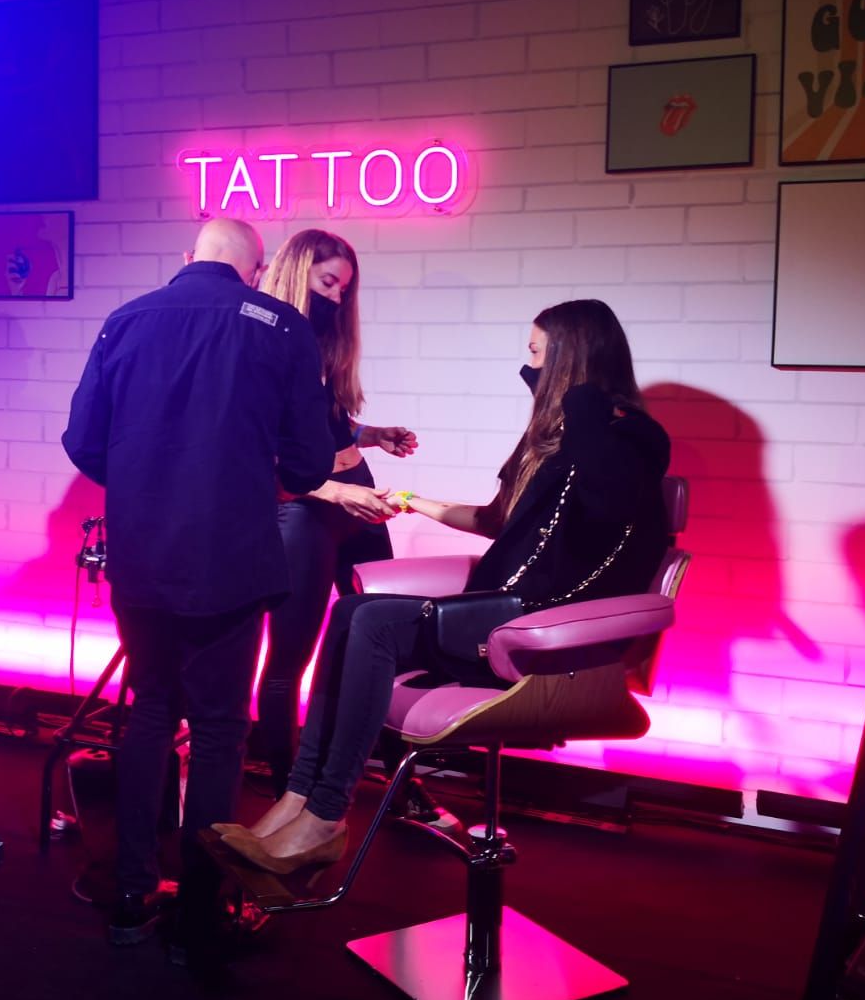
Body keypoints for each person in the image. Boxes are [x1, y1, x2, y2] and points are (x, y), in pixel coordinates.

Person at [217, 299, 670, 872]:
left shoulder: (632, 438)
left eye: (536, 355)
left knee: (373, 622)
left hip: (541, 633)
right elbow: (496, 521)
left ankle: (325, 817)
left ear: (569, 357)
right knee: (352, 611)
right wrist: (411, 501)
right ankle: (298, 798)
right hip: (497, 612)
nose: (529, 369)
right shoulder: (562, 440)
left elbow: (606, 504)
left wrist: (580, 399)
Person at [61, 217, 333, 949]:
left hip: (142, 556)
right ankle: (203, 909)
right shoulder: (280, 325)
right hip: (231, 560)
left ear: (189, 257)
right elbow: (310, 464)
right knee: (218, 728)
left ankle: (131, 891)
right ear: (257, 269)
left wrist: (147, 479)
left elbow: (82, 441)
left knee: (151, 711)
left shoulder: (125, 320)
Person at [255, 228, 417, 797]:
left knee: (385, 641)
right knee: (289, 658)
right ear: (298, 270)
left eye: (344, 289)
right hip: (307, 505)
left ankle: (398, 785)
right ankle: (288, 793)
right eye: (328, 282)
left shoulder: (320, 340)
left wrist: (368, 435)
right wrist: (330, 490)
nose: (336, 297)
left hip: (353, 489)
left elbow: (320, 420)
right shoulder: (263, 337)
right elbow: (262, 445)